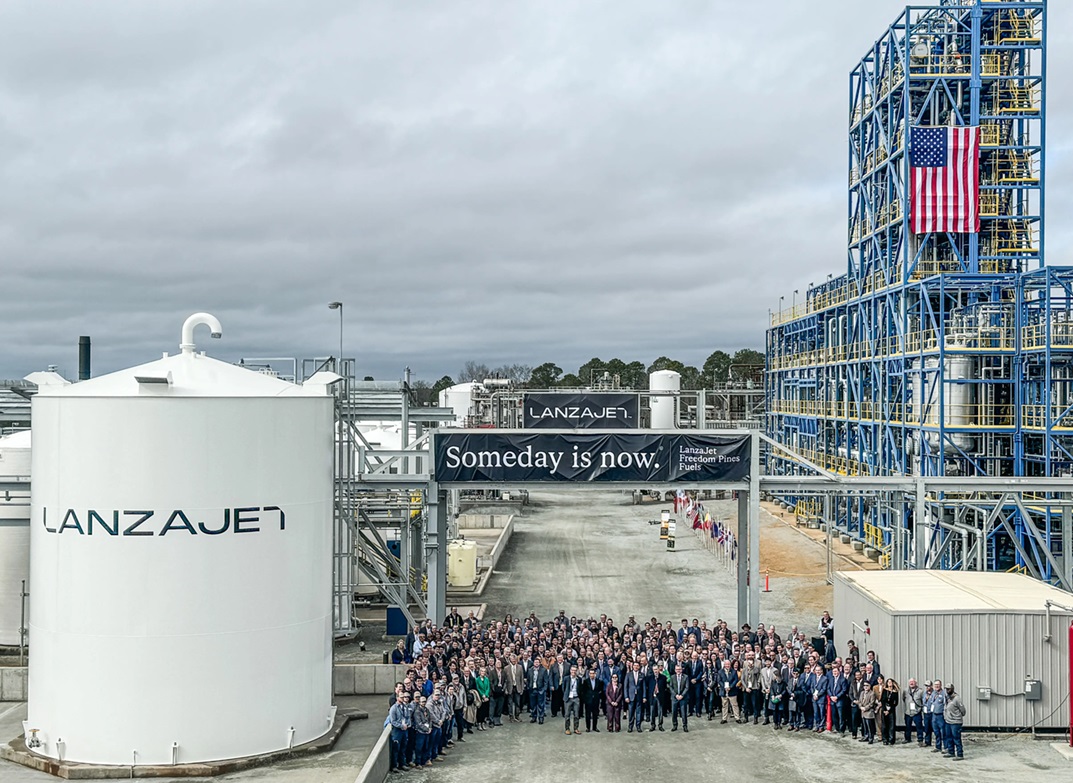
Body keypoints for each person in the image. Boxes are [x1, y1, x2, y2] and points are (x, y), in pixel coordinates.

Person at [388, 692, 412, 773]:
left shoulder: (405, 707)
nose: (403, 698)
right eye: (401, 697)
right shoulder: (394, 708)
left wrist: (408, 724)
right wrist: (401, 726)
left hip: (405, 730)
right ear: (397, 698)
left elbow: (408, 717)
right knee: (396, 749)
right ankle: (394, 766)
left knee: (403, 748)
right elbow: (393, 721)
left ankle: (402, 764)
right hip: (397, 731)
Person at [943, 683, 966, 760]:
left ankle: (960, 754)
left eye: (948, 689)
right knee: (949, 737)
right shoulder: (947, 697)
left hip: (956, 722)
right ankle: (951, 752)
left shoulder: (957, 698)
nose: (947, 690)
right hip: (948, 721)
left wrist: (957, 716)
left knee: (956, 738)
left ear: (952, 689)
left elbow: (963, 710)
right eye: (946, 689)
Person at [717, 659, 742, 724]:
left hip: (732, 691)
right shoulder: (720, 672)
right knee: (724, 705)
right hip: (724, 691)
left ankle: (737, 718)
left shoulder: (734, 671)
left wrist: (730, 687)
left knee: (735, 705)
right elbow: (719, 681)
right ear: (724, 665)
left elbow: (736, 680)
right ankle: (724, 718)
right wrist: (724, 687)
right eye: (726, 664)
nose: (727, 665)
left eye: (728, 664)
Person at [580, 666, 604, 733]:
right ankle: (588, 727)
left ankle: (594, 727)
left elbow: (600, 691)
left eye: (593, 673)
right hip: (588, 700)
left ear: (595, 674)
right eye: (590, 673)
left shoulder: (599, 681)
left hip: (596, 700)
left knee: (595, 714)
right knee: (588, 715)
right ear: (589, 674)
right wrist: (585, 699)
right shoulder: (585, 681)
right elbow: (583, 691)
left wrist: (598, 697)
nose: (592, 675)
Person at [624, 660, 645, 733]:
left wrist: (644, 696)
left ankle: (638, 726)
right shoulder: (628, 674)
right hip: (631, 696)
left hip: (639, 696)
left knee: (638, 712)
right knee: (631, 712)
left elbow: (644, 687)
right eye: (634, 665)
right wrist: (626, 696)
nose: (636, 667)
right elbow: (625, 686)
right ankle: (630, 726)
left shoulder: (642, 675)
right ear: (632, 666)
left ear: (639, 667)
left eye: (637, 666)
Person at [927, 679, 947, 753]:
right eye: (935, 685)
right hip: (934, 715)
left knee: (943, 732)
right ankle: (938, 746)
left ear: (941, 685)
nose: (936, 686)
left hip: (940, 715)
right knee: (936, 732)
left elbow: (945, 705)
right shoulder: (933, 693)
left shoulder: (944, 693)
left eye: (938, 684)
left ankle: (946, 747)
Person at [903, 677, 924, 745]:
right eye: (910, 682)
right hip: (908, 712)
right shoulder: (905, 690)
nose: (911, 683)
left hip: (917, 712)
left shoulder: (920, 691)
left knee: (919, 726)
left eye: (913, 682)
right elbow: (904, 699)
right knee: (907, 726)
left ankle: (920, 739)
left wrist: (919, 709)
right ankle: (907, 738)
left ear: (916, 683)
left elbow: (922, 701)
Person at [412, 695, 432, 767]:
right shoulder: (417, 711)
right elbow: (419, 723)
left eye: (425, 701)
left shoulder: (426, 710)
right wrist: (426, 729)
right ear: (419, 702)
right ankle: (418, 762)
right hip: (420, 732)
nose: (424, 703)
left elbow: (430, 719)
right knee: (419, 748)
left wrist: (430, 727)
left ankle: (424, 761)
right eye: (422, 701)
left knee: (425, 747)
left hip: (427, 732)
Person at [528, 657, 549, 724]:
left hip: (540, 690)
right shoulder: (530, 670)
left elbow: (546, 681)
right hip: (532, 690)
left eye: (537, 662)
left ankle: (541, 718)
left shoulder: (544, 670)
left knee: (541, 705)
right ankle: (534, 717)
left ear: (540, 663)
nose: (536, 663)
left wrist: (544, 690)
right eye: (535, 662)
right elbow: (528, 680)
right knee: (533, 705)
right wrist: (529, 687)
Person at [670, 663, 690, 732]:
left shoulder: (686, 677)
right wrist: (676, 695)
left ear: (682, 670)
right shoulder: (672, 677)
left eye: (679, 669)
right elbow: (670, 687)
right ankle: (674, 725)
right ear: (675, 670)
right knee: (674, 712)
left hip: (683, 697)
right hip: (674, 697)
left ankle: (685, 725)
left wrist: (682, 695)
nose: (678, 671)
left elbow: (687, 687)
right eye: (677, 669)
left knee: (683, 712)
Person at [562, 664, 582, 735]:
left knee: (576, 715)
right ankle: (567, 729)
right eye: (572, 670)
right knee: (567, 715)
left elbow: (580, 688)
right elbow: (563, 688)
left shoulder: (579, 679)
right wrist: (566, 695)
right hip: (568, 699)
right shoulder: (566, 678)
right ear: (570, 671)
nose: (573, 672)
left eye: (575, 670)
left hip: (576, 698)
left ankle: (576, 728)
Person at [880, 678, 900, 745]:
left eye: (890, 682)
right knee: (884, 725)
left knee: (891, 726)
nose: (889, 683)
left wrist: (889, 710)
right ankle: (885, 739)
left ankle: (891, 739)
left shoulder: (895, 692)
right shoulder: (885, 690)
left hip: (891, 710)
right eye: (888, 682)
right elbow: (882, 700)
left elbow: (896, 702)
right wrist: (885, 710)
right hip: (884, 709)